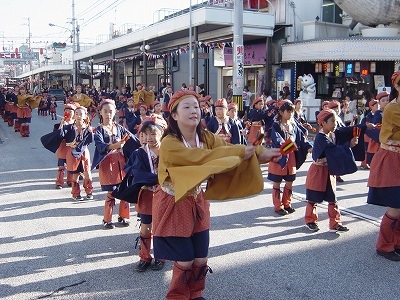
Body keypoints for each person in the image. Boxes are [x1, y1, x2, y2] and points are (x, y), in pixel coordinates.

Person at [152, 90, 281, 299]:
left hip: (196, 200)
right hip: (173, 202)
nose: (193, 110)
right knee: (185, 260)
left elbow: (229, 147)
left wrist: (260, 153)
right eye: (186, 107)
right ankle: (177, 297)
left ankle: (195, 294)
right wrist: (240, 152)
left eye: (196, 106)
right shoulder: (169, 143)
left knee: (201, 258)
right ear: (174, 115)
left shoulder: (205, 136)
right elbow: (199, 158)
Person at [304, 109, 359, 232]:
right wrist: (348, 145)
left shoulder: (333, 134)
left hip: (329, 170)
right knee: (313, 198)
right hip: (318, 170)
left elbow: (346, 131)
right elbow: (332, 150)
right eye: (332, 121)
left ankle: (335, 223)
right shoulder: (320, 137)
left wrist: (364, 126)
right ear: (323, 123)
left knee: (332, 199)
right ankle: (310, 220)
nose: (335, 124)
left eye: (336, 121)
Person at [126, 115, 168, 272]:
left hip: (165, 195)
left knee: (161, 226)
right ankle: (144, 256)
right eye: (146, 134)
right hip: (146, 195)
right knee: (146, 227)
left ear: (162, 132)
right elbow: (137, 174)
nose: (149, 137)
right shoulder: (140, 153)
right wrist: (159, 178)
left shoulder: (169, 151)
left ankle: (161, 256)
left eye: (153, 133)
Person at [92, 99, 141, 229]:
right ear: (100, 113)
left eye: (111, 111)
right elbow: (101, 145)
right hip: (108, 163)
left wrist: (146, 141)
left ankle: (123, 216)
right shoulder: (98, 130)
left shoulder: (119, 128)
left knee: (124, 188)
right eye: (105, 111)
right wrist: (115, 145)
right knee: (111, 192)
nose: (108, 114)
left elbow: (133, 139)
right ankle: (107, 219)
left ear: (115, 113)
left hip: (121, 161)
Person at [367, 71, 400, 261]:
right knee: (395, 206)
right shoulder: (392, 108)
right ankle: (383, 245)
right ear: (396, 86)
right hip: (391, 158)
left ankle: (396, 242)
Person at [268, 99, 313, 215]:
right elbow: (277, 139)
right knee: (277, 182)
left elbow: (302, 138)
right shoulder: (276, 125)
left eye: (292, 111)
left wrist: (309, 147)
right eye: (288, 111)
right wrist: (287, 145)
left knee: (289, 181)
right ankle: (278, 206)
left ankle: (287, 204)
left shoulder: (293, 125)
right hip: (279, 155)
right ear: (281, 112)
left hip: (291, 156)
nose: (291, 114)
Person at [62, 105, 94, 201]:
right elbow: (61, 136)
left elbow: (90, 141)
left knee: (87, 172)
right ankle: (76, 194)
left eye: (81, 114)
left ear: (85, 116)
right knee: (75, 174)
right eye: (76, 114)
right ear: (74, 116)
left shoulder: (87, 127)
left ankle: (89, 191)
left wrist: (91, 133)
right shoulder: (69, 127)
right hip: (72, 152)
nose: (78, 116)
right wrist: (61, 125)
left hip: (84, 152)